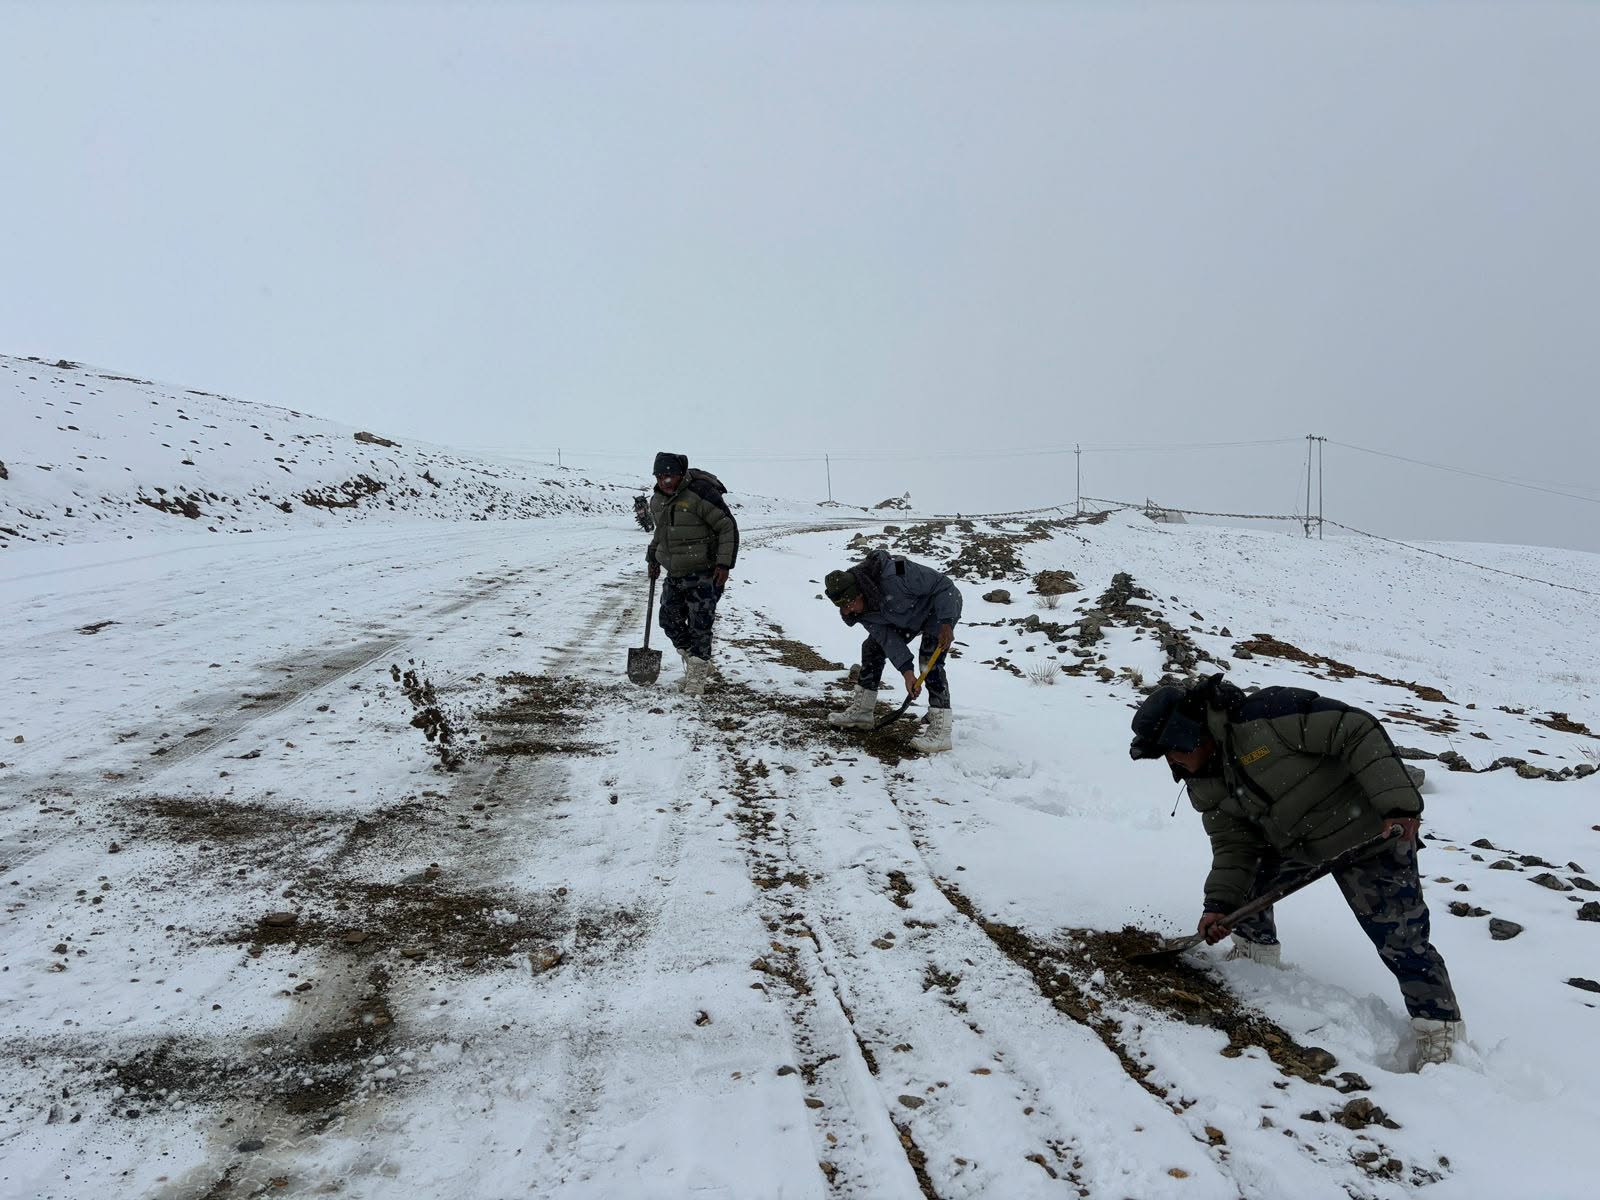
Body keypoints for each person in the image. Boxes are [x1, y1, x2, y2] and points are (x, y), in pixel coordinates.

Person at [1129, 673, 1465, 1067]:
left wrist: (1397, 804)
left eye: (1171, 750)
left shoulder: (1267, 717)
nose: (1172, 761)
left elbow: (1356, 730)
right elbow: (1234, 848)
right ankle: (1256, 954)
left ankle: (1439, 1026)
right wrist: (1219, 905)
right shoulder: (1203, 781)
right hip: (1297, 840)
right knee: (1250, 879)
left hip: (1369, 830)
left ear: (1192, 732)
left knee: (1398, 934)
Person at [823, 548, 962, 753]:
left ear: (860, 592)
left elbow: (943, 586)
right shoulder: (861, 613)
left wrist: (947, 622)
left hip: (939, 610)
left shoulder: (897, 572)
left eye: (850, 604)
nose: (848, 611)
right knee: (872, 647)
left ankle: (941, 730)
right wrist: (907, 673)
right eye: (843, 608)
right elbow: (888, 640)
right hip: (905, 617)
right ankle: (862, 713)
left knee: (929, 661)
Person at [645, 451, 737, 696]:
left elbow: (727, 526)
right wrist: (652, 555)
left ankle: (696, 676)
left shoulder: (701, 494)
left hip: (704, 572)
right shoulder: (657, 500)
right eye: (660, 476)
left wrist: (724, 564)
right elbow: (660, 532)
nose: (665, 481)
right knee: (668, 619)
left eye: (670, 476)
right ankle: (699, 662)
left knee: (700, 624)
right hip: (675, 571)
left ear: (681, 474)